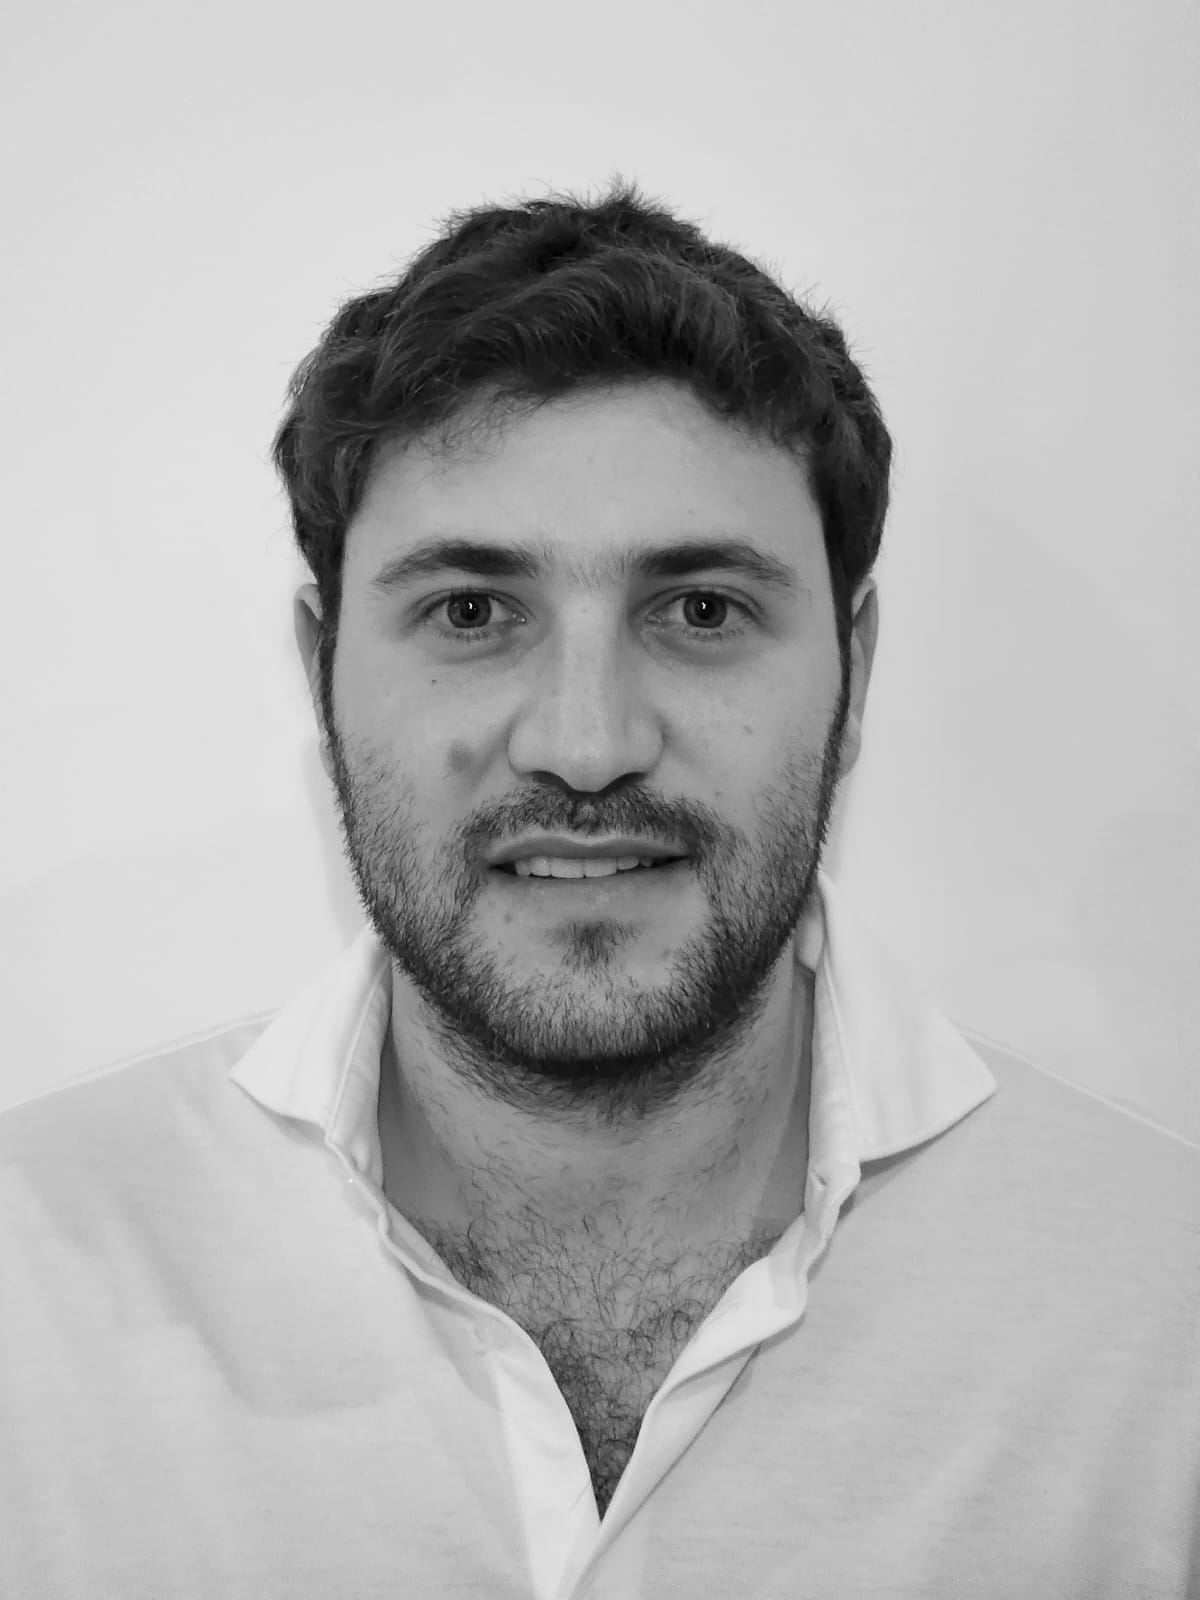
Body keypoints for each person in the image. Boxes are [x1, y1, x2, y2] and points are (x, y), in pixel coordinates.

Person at [2, 176, 1197, 1600]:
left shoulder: (1166, 1313)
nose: (586, 743)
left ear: (856, 672)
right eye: (470, 611)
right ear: (322, 675)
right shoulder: (28, 1291)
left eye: (701, 610)